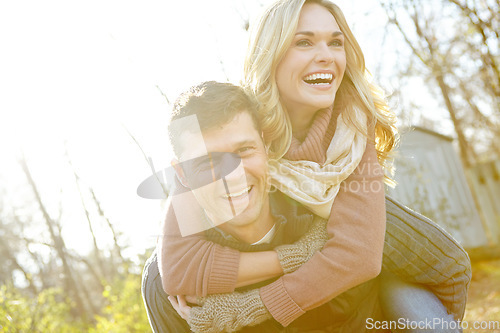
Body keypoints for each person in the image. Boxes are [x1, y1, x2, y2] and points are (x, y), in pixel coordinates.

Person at [150, 0, 471, 331]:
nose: (327, 56)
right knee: (153, 274)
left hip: (416, 268)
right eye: (304, 42)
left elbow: (360, 256)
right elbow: (175, 268)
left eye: (335, 42)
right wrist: (296, 256)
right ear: (270, 54)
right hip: (330, 276)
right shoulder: (232, 122)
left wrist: (250, 305)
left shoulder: (352, 131)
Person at [143, 80, 385, 332]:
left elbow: (423, 260)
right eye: (207, 163)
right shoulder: (171, 292)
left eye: (244, 150)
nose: (232, 176)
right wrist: (302, 255)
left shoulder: (342, 221)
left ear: (265, 146)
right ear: (181, 175)